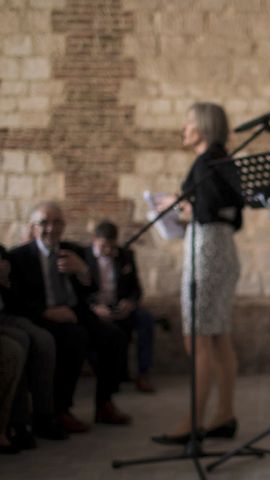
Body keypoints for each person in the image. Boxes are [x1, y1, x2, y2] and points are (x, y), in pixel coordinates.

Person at [152, 102, 244, 445]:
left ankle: (193, 421)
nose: (183, 127)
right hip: (220, 248)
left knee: (198, 336)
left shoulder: (208, 161)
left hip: (207, 250)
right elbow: (231, 213)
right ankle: (224, 415)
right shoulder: (222, 161)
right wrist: (185, 206)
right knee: (217, 334)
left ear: (203, 126)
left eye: (188, 121)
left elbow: (207, 210)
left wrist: (176, 206)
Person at [8, 202, 132, 433]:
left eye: (57, 222)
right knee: (75, 338)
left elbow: (92, 289)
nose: (51, 228)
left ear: (63, 226)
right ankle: (61, 410)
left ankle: (105, 404)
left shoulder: (73, 250)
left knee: (114, 336)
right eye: (44, 223)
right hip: (43, 316)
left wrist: (83, 271)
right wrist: (46, 312)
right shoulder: (20, 256)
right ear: (33, 227)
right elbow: (16, 298)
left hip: (76, 313)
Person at [0, 245, 68, 449]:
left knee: (44, 339)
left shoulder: (4, 253)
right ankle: (17, 424)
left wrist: (5, 283)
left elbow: (15, 298)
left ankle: (43, 415)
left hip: (7, 315)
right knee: (18, 343)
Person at [84, 220, 156, 393]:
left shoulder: (126, 255)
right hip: (95, 309)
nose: (108, 251)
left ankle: (143, 374)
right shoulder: (83, 256)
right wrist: (94, 307)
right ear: (94, 239)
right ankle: (108, 375)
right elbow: (78, 291)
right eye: (103, 246)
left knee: (146, 320)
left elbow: (136, 289)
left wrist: (130, 302)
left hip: (121, 307)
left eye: (112, 246)